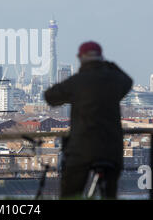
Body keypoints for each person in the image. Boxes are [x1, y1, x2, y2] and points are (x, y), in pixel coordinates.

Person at [44, 41, 132, 199]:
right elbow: (128, 81)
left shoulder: (77, 82)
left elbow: (50, 97)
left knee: (70, 193)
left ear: (80, 58)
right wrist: (111, 65)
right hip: (112, 148)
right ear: (101, 58)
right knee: (110, 194)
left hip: (82, 149)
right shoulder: (114, 80)